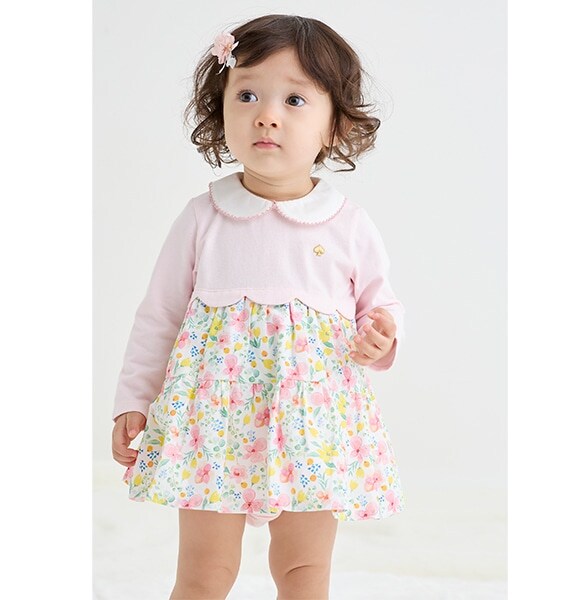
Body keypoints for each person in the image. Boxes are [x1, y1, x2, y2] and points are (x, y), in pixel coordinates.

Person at [111, 14, 407, 600]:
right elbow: (159, 316)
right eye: (247, 95)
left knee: (304, 571)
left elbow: (380, 306)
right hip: (211, 422)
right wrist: (134, 399)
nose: (267, 115)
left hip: (311, 424)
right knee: (204, 572)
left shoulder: (346, 224)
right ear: (220, 109)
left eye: (294, 100)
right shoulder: (204, 217)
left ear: (334, 127)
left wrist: (382, 335)